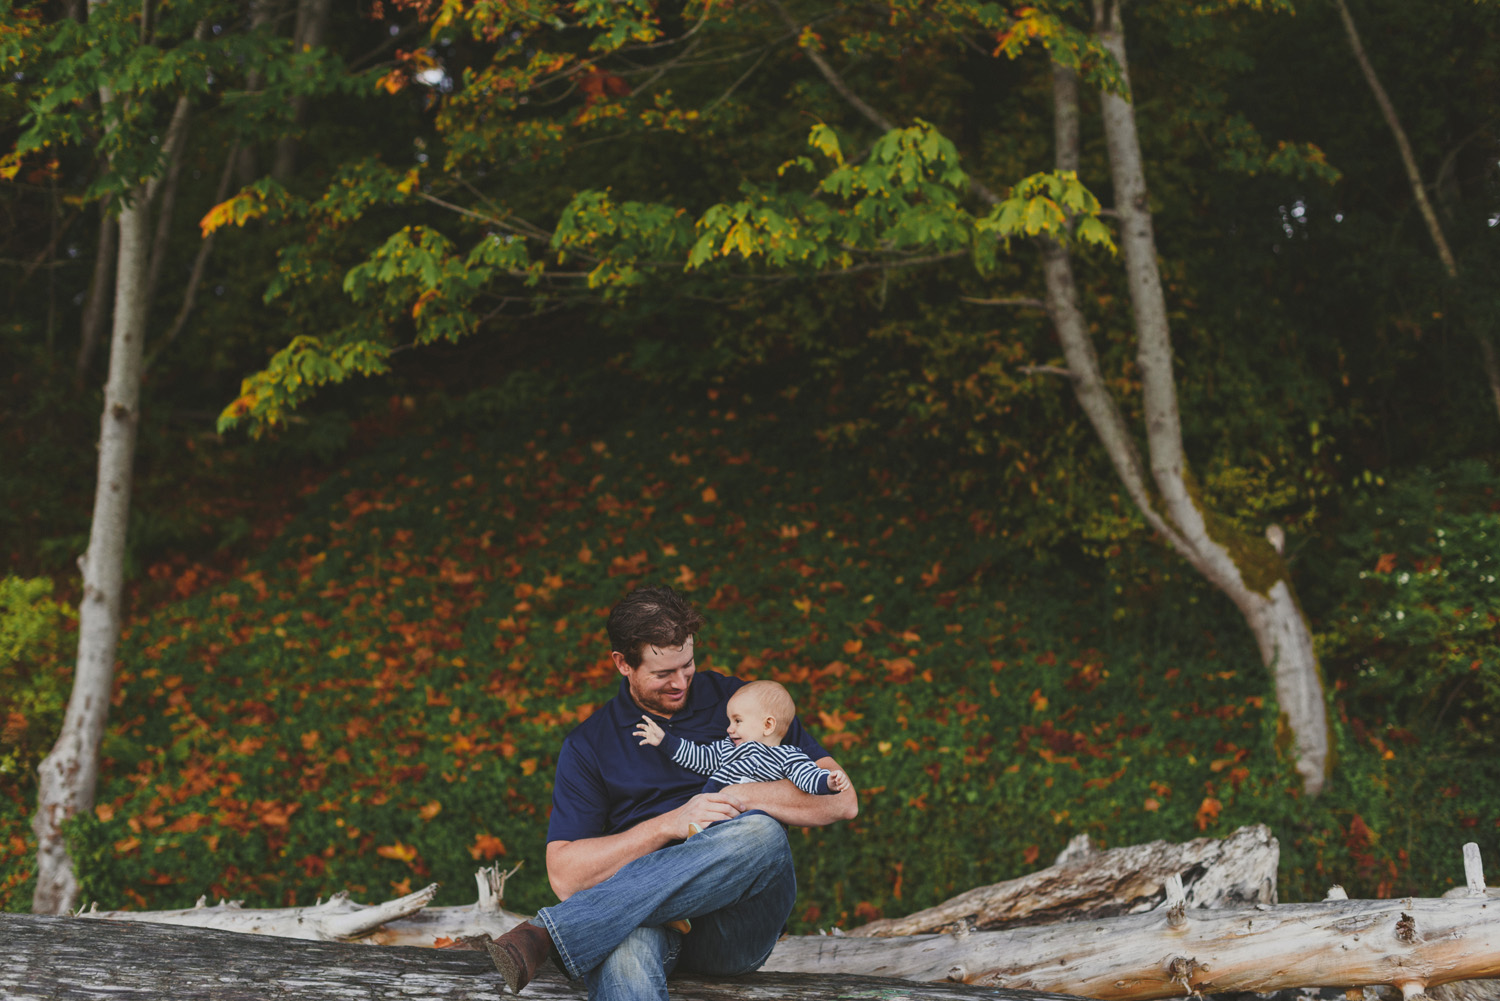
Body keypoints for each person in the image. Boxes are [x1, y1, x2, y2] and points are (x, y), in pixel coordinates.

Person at [481, 585, 857, 1001]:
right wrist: (669, 824)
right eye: (663, 674)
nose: (680, 682)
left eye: (688, 665)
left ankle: (552, 934)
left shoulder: (744, 704)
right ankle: (586, 926)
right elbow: (565, 876)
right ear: (622, 664)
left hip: (734, 926)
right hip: (646, 922)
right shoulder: (590, 745)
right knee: (623, 953)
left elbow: (842, 801)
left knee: (762, 834)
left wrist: (743, 796)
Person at [633, 680, 850, 799]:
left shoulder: (788, 756)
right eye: (729, 721)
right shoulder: (728, 750)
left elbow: (806, 777)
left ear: (768, 725)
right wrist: (664, 741)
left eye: (737, 721)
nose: (729, 729)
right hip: (711, 816)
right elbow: (699, 757)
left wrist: (828, 782)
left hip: (751, 822)